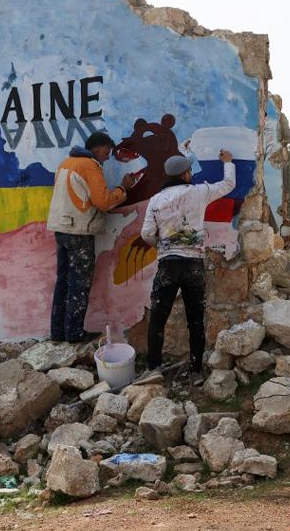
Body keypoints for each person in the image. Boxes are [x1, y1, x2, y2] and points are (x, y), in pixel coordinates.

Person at [140, 149, 236, 379]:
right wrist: (228, 162)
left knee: (158, 318)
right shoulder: (198, 192)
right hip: (193, 264)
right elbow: (228, 185)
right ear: (184, 174)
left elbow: (146, 234)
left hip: (168, 265)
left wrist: (162, 246)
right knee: (195, 319)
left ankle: (153, 368)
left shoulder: (155, 200)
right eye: (189, 170)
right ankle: (195, 372)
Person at [47, 131, 135, 343]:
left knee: (64, 281)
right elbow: (103, 201)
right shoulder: (89, 165)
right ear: (96, 148)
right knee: (80, 282)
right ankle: (75, 332)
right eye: (106, 151)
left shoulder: (66, 163)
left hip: (61, 228)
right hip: (79, 230)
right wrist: (124, 188)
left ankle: (58, 332)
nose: (107, 156)